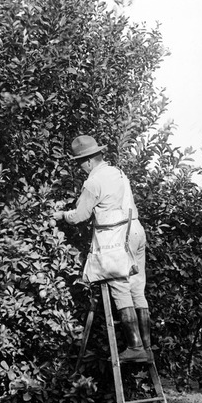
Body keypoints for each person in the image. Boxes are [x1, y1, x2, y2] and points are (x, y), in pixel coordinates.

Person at [53, 135, 151, 363]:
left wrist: (62, 215)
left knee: (119, 286)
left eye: (80, 163)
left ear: (87, 161)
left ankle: (135, 347)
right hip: (136, 230)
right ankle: (146, 345)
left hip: (116, 237)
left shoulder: (94, 181)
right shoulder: (118, 173)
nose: (81, 168)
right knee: (137, 286)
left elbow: (80, 216)